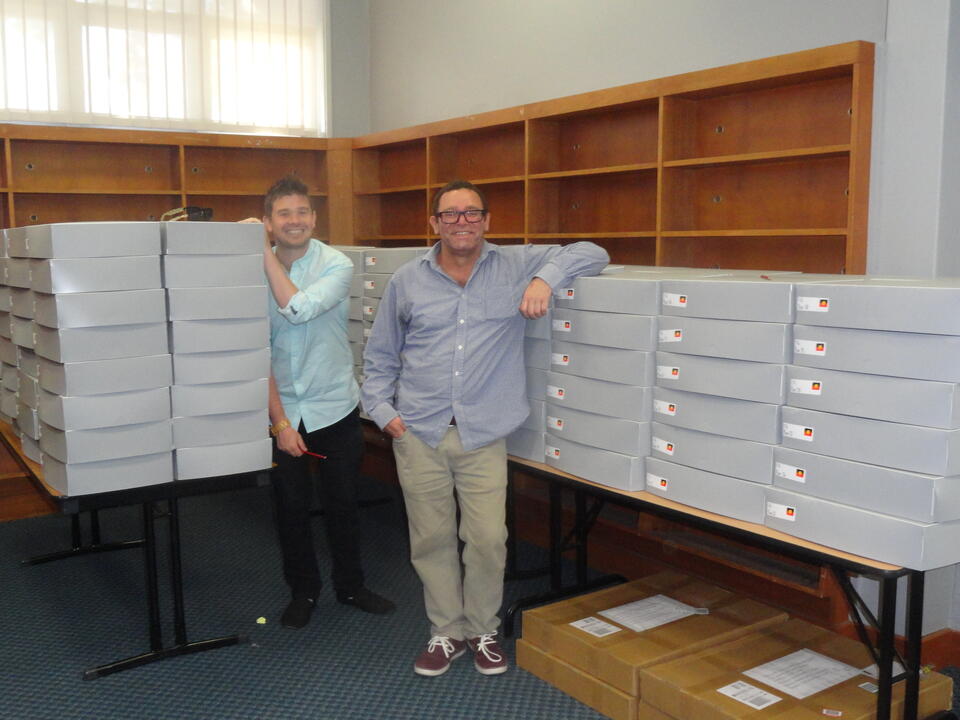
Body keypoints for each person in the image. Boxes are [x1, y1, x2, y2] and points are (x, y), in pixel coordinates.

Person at [361, 179, 609, 676]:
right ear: (433, 224)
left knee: (488, 539)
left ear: (488, 221)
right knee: (430, 539)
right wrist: (384, 414)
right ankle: (446, 631)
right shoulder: (408, 280)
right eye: (450, 214)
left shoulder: (517, 266)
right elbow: (381, 355)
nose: (461, 222)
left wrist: (545, 280)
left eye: (472, 213)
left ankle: (481, 629)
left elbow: (593, 251)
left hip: (483, 433)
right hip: (418, 431)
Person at [259, 175, 395, 628]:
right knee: (290, 508)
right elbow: (255, 353)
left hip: (333, 405)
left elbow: (296, 308)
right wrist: (280, 425)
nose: (294, 221)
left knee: (343, 503)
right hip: (282, 409)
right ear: (269, 222)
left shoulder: (336, 264)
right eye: (284, 213)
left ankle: (351, 586)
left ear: (314, 219)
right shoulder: (245, 275)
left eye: (301, 212)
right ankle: (303, 591)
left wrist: (260, 254)